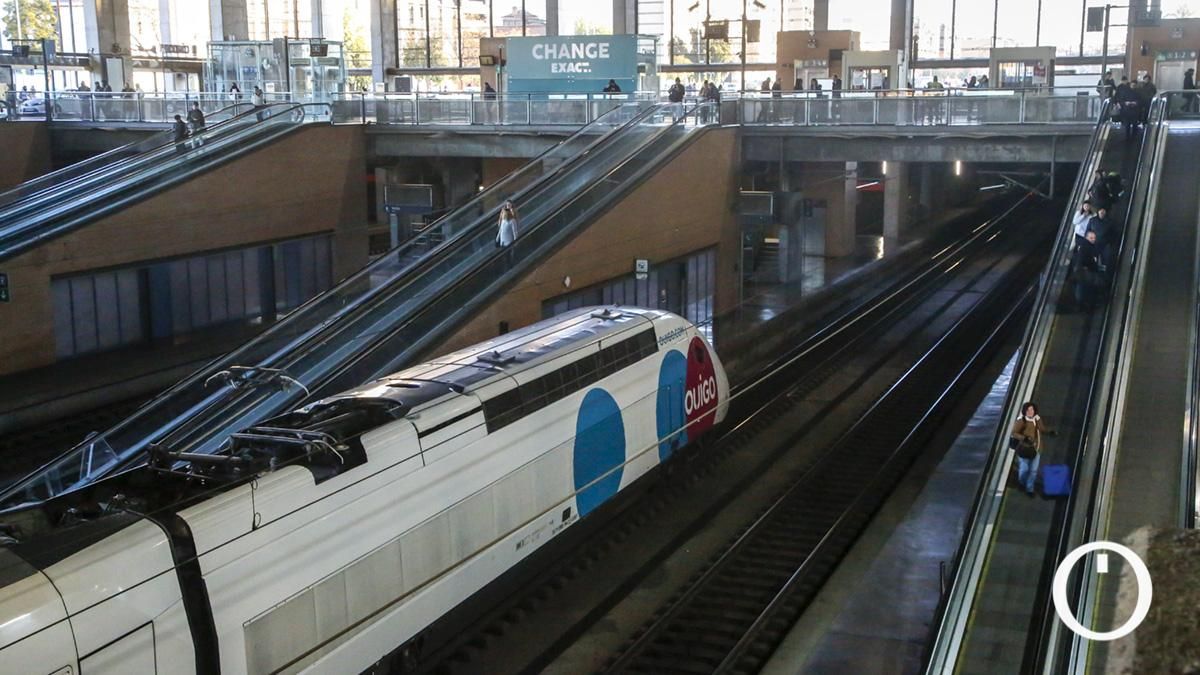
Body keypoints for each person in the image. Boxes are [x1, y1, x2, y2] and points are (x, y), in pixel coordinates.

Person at [1010, 402, 1052, 495]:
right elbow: (1014, 433)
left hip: (1036, 448)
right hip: (1024, 449)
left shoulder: (1037, 419)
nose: (1030, 412)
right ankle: (1022, 483)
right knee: (1024, 470)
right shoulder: (1021, 421)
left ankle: (1029, 489)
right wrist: (1024, 438)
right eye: (1028, 410)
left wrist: (1050, 432)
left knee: (1033, 471)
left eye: (1032, 410)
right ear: (1025, 411)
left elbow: (1042, 429)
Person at [1071, 230, 1104, 311]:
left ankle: (1082, 305)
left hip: (1083, 273)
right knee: (1091, 286)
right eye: (1091, 238)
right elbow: (1084, 260)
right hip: (1085, 272)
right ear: (1086, 238)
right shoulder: (1086, 247)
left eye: (1094, 238)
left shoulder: (1086, 246)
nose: (1093, 239)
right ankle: (1088, 305)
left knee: (1083, 289)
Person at [1114, 76, 1139, 141]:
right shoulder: (1125, 91)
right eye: (1132, 85)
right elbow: (1121, 99)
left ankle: (1133, 137)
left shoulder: (1137, 92)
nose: (1133, 86)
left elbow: (1140, 100)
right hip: (1128, 110)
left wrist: (1135, 103)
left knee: (1134, 124)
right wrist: (1125, 103)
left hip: (1133, 110)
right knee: (1127, 124)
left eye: (1134, 85)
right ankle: (1128, 137)